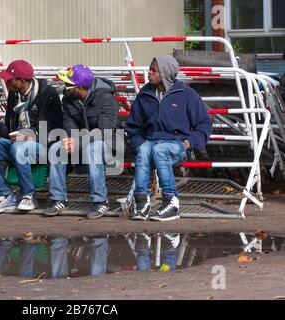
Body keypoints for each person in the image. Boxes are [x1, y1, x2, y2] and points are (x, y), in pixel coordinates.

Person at [125, 56, 212, 221]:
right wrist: (139, 144)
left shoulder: (187, 94)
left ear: (165, 73)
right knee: (144, 151)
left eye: (153, 70)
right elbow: (132, 126)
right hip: (151, 142)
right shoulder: (145, 94)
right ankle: (141, 203)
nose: (149, 72)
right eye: (150, 68)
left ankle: (171, 203)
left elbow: (204, 125)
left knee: (160, 150)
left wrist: (188, 143)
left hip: (176, 144)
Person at [0, 60, 63, 213]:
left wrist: (30, 135)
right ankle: (5, 193)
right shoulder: (14, 95)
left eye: (10, 79)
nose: (7, 82)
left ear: (21, 81)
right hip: (16, 144)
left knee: (18, 147)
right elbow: (10, 131)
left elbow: (56, 129)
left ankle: (28, 195)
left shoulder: (48, 94)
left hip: (41, 146)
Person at [44, 64, 120, 219]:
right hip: (81, 143)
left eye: (67, 85)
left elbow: (104, 131)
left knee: (93, 148)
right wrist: (70, 140)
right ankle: (58, 199)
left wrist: (78, 142)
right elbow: (68, 123)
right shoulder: (68, 99)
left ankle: (100, 201)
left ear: (78, 87)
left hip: (109, 144)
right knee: (56, 149)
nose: (64, 87)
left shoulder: (106, 98)